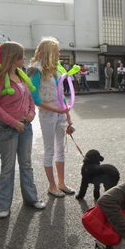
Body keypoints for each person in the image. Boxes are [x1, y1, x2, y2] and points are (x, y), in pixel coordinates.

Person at [0, 41, 46, 218]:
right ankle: (3, 205)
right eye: (22, 55)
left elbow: (29, 97)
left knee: (26, 165)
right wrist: (14, 122)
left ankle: (31, 198)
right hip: (7, 128)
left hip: (25, 126)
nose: (25, 58)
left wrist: (31, 113)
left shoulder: (21, 75)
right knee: (8, 168)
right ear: (13, 57)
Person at [28, 38, 75, 199]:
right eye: (56, 50)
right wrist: (56, 109)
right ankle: (52, 186)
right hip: (47, 113)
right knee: (50, 149)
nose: (59, 53)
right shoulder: (36, 70)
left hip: (60, 113)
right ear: (49, 51)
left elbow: (61, 95)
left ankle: (61, 183)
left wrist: (67, 114)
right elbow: (34, 97)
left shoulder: (57, 69)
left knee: (61, 149)